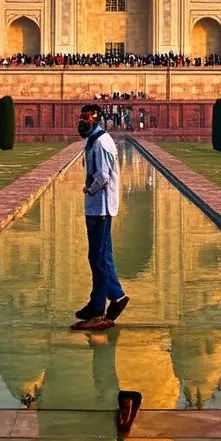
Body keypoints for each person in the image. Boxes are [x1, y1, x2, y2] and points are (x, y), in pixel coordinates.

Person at [74, 104, 129, 328]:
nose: (82, 123)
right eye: (81, 119)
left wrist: (90, 189)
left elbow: (104, 176)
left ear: (97, 120)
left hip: (102, 207)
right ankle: (116, 297)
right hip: (96, 207)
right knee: (100, 255)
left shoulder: (101, 142)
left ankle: (98, 309)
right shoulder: (95, 141)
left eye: (87, 119)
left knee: (98, 257)